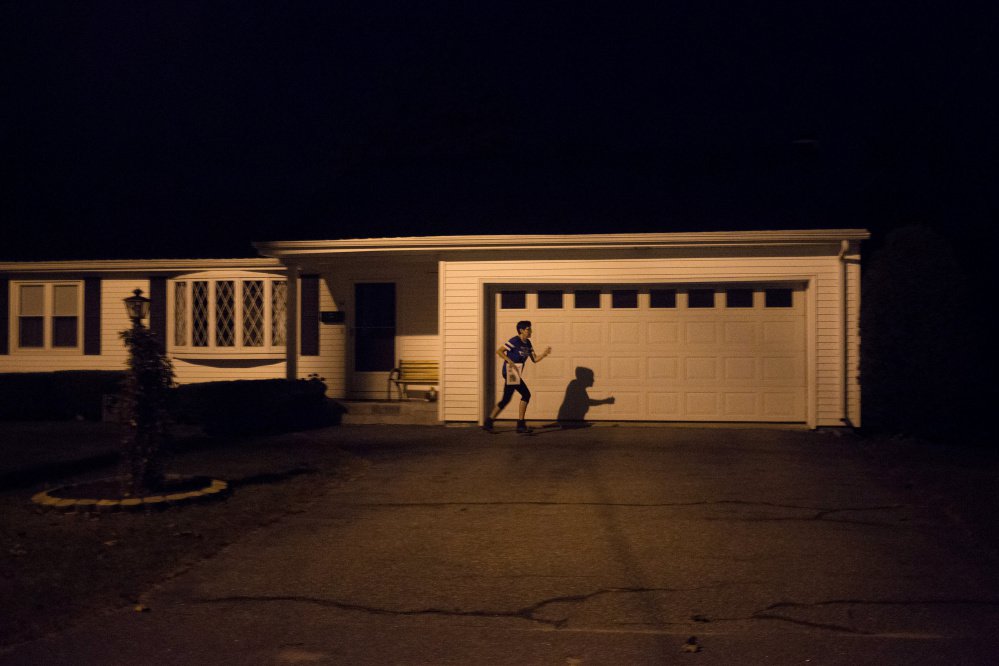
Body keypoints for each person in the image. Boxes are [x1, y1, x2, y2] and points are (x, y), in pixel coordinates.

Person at [483, 320, 551, 433]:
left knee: (506, 399)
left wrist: (544, 354)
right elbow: (499, 351)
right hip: (510, 372)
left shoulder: (528, 343)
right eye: (528, 329)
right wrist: (510, 361)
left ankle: (489, 422)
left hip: (516, 373)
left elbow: (534, 359)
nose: (531, 331)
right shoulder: (515, 341)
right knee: (525, 394)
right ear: (521, 330)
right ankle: (520, 425)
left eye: (530, 329)